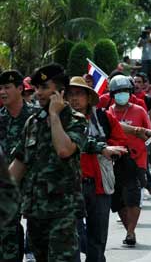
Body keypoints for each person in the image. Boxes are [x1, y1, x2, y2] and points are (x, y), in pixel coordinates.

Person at [8, 64, 88, 261]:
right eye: (36, 88)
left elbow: (64, 150)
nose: (38, 93)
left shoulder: (75, 120)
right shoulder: (33, 122)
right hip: (35, 213)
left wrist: (54, 115)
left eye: (44, 87)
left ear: (60, 92)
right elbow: (20, 163)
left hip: (62, 213)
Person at [67, 76, 128, 262]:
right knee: (71, 238)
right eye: (70, 94)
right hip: (70, 186)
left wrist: (109, 149)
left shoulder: (103, 117)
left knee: (98, 237)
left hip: (99, 184)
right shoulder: (60, 120)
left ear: (88, 97)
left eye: (78, 94)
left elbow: (121, 142)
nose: (74, 99)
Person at [107, 75, 151, 247]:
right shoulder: (109, 113)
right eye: (118, 92)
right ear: (113, 94)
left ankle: (130, 232)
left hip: (137, 160)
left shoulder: (139, 111)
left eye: (125, 91)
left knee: (133, 197)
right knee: (118, 200)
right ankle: (129, 227)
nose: (122, 94)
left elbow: (150, 135)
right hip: (115, 161)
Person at [0, 70, 38, 262]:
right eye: (0, 88)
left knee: (39, 234)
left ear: (20, 89)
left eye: (7, 87)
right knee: (7, 232)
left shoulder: (36, 116)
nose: (2, 92)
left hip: (35, 186)